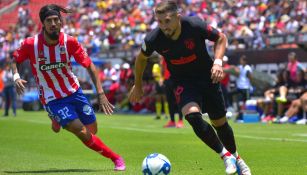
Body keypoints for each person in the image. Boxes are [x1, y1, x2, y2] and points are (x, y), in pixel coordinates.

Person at [128, 1, 251, 175]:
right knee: (192, 116)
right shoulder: (153, 39)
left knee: (220, 124)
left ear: (178, 17)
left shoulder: (194, 25)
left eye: (167, 21)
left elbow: (221, 37)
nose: (164, 26)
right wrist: (138, 85)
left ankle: (237, 158)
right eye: (160, 22)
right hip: (182, 82)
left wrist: (217, 62)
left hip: (207, 78)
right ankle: (225, 156)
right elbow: (141, 59)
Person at [12, 4, 125, 171]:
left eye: (56, 20)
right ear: (43, 23)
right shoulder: (31, 44)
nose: (53, 24)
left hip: (74, 91)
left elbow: (90, 66)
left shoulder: (70, 42)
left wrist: (101, 94)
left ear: (60, 22)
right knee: (82, 132)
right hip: (52, 98)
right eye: (49, 20)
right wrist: (16, 76)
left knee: (92, 130)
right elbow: (15, 59)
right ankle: (116, 158)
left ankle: (55, 120)